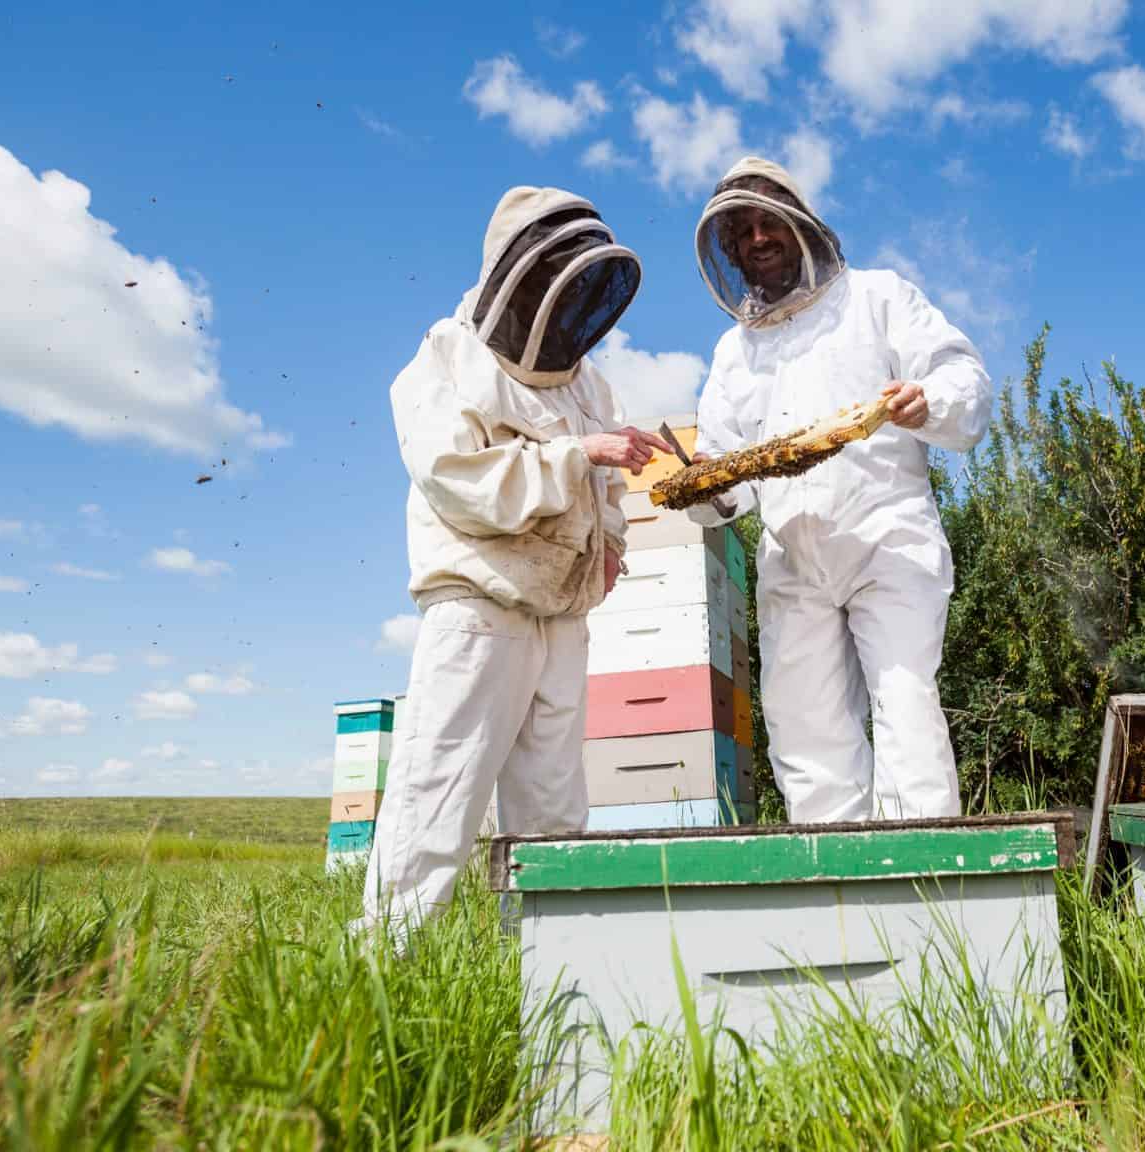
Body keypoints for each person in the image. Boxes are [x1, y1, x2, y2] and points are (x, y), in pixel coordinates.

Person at [360, 186, 673, 938]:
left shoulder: (588, 381)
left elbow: (601, 486)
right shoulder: (442, 359)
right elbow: (464, 484)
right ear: (516, 273)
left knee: (555, 806)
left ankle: (550, 960)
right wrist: (581, 453)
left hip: (561, 613)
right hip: (482, 604)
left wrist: (612, 545)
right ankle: (387, 963)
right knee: (441, 790)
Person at [685, 157, 994, 824]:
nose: (757, 239)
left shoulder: (878, 298)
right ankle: (840, 900)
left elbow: (960, 377)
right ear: (730, 251)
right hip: (793, 561)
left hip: (888, 541)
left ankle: (932, 898)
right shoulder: (735, 353)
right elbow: (728, 475)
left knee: (905, 706)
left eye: (769, 222)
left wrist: (927, 400)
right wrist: (704, 491)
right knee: (805, 729)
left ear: (802, 225)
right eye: (742, 232)